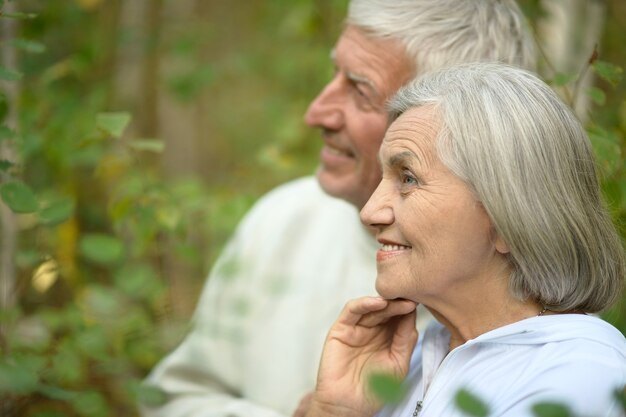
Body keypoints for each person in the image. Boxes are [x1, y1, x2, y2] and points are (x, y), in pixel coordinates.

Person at [140, 2, 535, 416]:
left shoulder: (546, 323)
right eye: (336, 74)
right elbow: (170, 401)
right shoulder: (282, 222)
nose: (317, 113)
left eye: (361, 91)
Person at [302, 62, 626, 417]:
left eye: (407, 178)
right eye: (383, 178)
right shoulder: (417, 356)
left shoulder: (577, 376)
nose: (370, 212)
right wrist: (335, 410)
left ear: (508, 218)